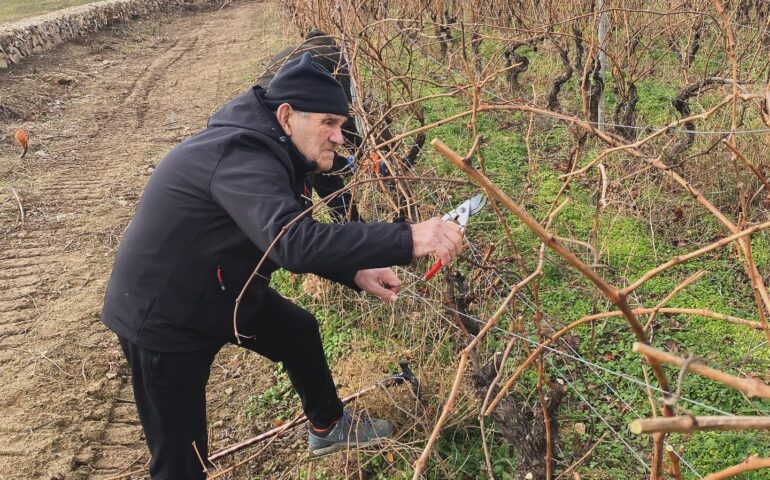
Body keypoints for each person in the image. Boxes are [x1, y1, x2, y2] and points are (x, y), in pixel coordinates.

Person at [101, 52, 464, 479]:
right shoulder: (241, 155)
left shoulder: (281, 149)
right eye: (328, 122)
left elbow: (286, 232)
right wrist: (407, 237)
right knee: (183, 461)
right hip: (163, 316)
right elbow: (290, 242)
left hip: (223, 289)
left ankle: (328, 427)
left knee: (298, 332)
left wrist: (355, 269)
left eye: (342, 125)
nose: (339, 137)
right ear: (287, 115)